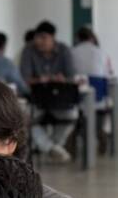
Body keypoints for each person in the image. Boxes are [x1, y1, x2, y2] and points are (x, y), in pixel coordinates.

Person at [20, 21, 79, 162]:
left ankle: (52, 145)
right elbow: (25, 78)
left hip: (60, 98)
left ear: (53, 38)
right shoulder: (28, 50)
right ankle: (51, 148)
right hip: (36, 99)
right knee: (26, 119)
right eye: (37, 37)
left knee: (73, 115)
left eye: (44, 37)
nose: (39, 41)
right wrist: (43, 79)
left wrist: (62, 79)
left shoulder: (64, 50)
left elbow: (71, 76)